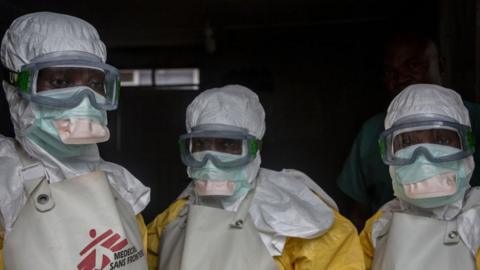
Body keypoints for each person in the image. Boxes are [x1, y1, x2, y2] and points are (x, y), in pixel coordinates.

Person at [146, 85, 365, 270]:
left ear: (254, 149)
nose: (211, 161)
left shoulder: (298, 218)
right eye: (201, 145)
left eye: (227, 145)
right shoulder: (173, 218)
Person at [0, 12, 150, 269]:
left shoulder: (123, 190)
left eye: (95, 84)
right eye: (60, 81)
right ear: (16, 90)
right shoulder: (6, 187)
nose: (84, 99)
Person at [337, 33, 480, 227]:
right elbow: (357, 211)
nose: (401, 78)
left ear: (442, 66)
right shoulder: (371, 133)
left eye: (413, 66)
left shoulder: (477, 118)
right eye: (390, 72)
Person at [359, 84, 480, 269]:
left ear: (466, 147)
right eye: (407, 142)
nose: (423, 158)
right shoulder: (380, 224)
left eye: (442, 140)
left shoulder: (477, 220)